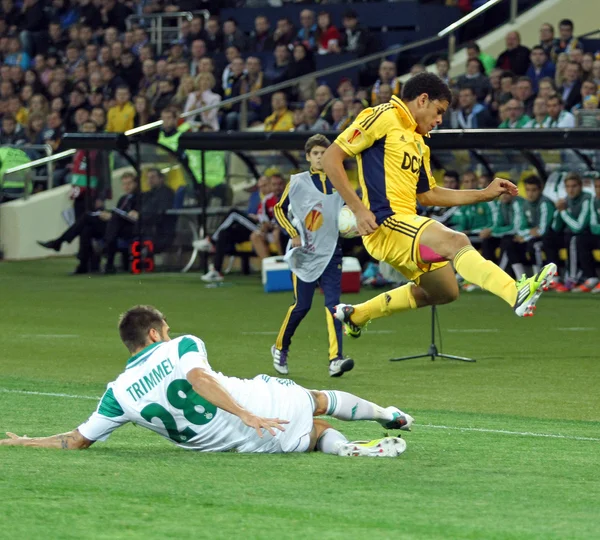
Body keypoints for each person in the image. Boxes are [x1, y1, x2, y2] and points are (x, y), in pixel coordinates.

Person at [0, 305, 412, 458]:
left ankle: (347, 450)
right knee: (317, 400)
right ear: (155, 333)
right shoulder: (180, 346)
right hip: (254, 408)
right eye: (166, 326)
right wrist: (246, 412)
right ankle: (388, 414)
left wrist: (24, 442)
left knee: (316, 434)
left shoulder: (117, 393)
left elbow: (75, 440)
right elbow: (198, 379)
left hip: (240, 446)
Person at [320, 72, 556, 340]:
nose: (440, 119)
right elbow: (331, 158)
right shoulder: (384, 115)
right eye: (439, 111)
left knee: (445, 291)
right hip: (383, 222)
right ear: (422, 100)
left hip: (406, 225)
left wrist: (482, 193)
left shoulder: (420, 142)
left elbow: (428, 195)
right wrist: (359, 209)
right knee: (456, 240)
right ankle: (515, 292)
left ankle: (357, 314)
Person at [271, 135, 352, 378]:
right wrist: (293, 232)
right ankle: (281, 347)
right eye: (315, 153)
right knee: (302, 306)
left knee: (334, 306)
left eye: (323, 153)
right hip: (305, 253)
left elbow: (350, 209)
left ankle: (335, 360)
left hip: (331, 252)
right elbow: (279, 208)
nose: (319, 157)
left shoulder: (340, 182)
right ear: (308, 157)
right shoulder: (298, 182)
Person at [548, 172, 595, 293]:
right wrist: (558, 211)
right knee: (548, 238)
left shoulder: (587, 198)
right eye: (568, 187)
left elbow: (579, 227)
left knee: (574, 238)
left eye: (574, 186)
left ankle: (572, 279)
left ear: (580, 186)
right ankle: (555, 277)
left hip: (588, 235)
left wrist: (563, 212)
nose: (571, 190)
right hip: (570, 236)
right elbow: (555, 227)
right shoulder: (565, 200)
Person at [517, 176, 556, 276]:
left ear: (540, 189)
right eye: (528, 190)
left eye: (534, 190)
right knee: (510, 243)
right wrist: (530, 232)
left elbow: (542, 231)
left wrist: (526, 236)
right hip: (534, 237)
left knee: (534, 246)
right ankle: (519, 277)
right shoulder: (525, 204)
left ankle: (540, 278)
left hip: (551, 237)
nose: (530, 194)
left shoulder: (545, 203)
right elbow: (520, 228)